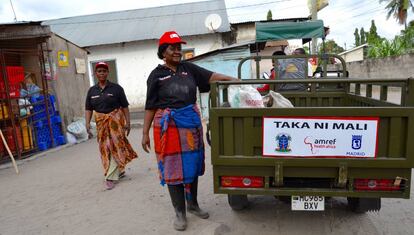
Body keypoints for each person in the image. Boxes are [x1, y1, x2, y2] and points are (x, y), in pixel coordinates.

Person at [141, 31, 237, 231]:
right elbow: (150, 106)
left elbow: (211, 77)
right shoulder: (156, 75)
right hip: (168, 127)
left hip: (190, 125)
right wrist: (144, 133)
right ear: (162, 52)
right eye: (172, 48)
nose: (177, 52)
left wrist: (233, 79)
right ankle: (179, 213)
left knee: (192, 166)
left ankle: (192, 204)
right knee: (172, 169)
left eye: (179, 48)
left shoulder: (188, 68)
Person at [85, 62, 137, 190]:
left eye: (104, 71)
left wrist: (128, 122)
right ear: (95, 74)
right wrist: (87, 123)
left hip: (116, 123)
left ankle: (110, 176)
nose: (102, 73)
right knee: (105, 147)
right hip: (101, 124)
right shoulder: (92, 91)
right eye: (99, 71)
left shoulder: (117, 88)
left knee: (117, 145)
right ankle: (118, 170)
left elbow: (125, 106)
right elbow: (88, 109)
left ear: (108, 73)